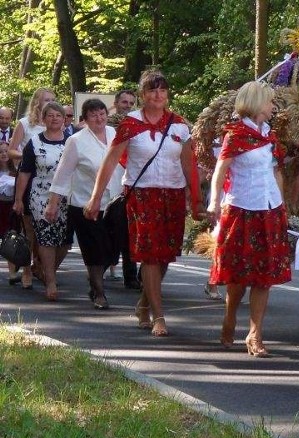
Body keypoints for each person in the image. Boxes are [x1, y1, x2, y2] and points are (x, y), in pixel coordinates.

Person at [84, 69, 203, 337]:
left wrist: (196, 200)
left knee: (165, 255)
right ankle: (158, 316)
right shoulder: (130, 124)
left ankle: (143, 304)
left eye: (162, 90)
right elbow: (111, 161)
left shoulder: (179, 125)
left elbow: (188, 163)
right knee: (150, 254)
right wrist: (95, 198)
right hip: (141, 196)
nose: (158, 95)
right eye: (152, 90)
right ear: (142, 94)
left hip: (172, 194)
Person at [207, 81, 291, 357]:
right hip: (242, 209)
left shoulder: (270, 136)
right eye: (269, 102)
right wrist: (214, 201)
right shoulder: (236, 135)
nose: (272, 106)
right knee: (239, 274)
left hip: (269, 210)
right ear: (256, 104)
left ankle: (255, 334)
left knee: (264, 276)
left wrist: (282, 204)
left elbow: (276, 171)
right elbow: (221, 170)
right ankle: (230, 316)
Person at [46, 98, 123, 309]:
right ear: (85, 119)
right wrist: (53, 204)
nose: (99, 118)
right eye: (93, 115)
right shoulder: (77, 141)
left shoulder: (116, 135)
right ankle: (98, 291)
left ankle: (96, 277)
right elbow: (62, 174)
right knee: (94, 249)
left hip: (115, 202)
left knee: (113, 249)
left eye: (102, 114)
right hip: (85, 204)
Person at [12, 101, 72, 301]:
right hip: (41, 196)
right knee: (46, 237)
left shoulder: (72, 141)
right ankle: (51, 281)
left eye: (58, 115)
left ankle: (45, 268)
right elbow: (25, 173)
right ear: (43, 119)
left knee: (64, 241)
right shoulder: (34, 143)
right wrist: (19, 199)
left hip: (68, 196)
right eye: (50, 115)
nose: (54, 118)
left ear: (64, 119)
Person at [7, 87, 57, 289]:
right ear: (37, 102)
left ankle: (42, 265)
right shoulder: (26, 123)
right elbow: (11, 150)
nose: (50, 103)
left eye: (53, 100)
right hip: (30, 176)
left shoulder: (57, 123)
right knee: (29, 228)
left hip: (52, 179)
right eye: (46, 100)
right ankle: (27, 269)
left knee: (48, 226)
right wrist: (28, 157)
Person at [109, 89, 141, 290]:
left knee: (131, 230)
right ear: (116, 102)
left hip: (133, 179)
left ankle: (132, 274)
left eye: (131, 103)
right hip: (113, 178)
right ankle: (100, 266)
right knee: (112, 229)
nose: (127, 106)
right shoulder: (108, 124)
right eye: (124, 102)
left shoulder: (138, 124)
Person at [0, 142, 20, 284]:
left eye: (6, 151)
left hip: (10, 208)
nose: (4, 154)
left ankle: (12, 273)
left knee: (10, 238)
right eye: (1, 152)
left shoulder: (16, 171)